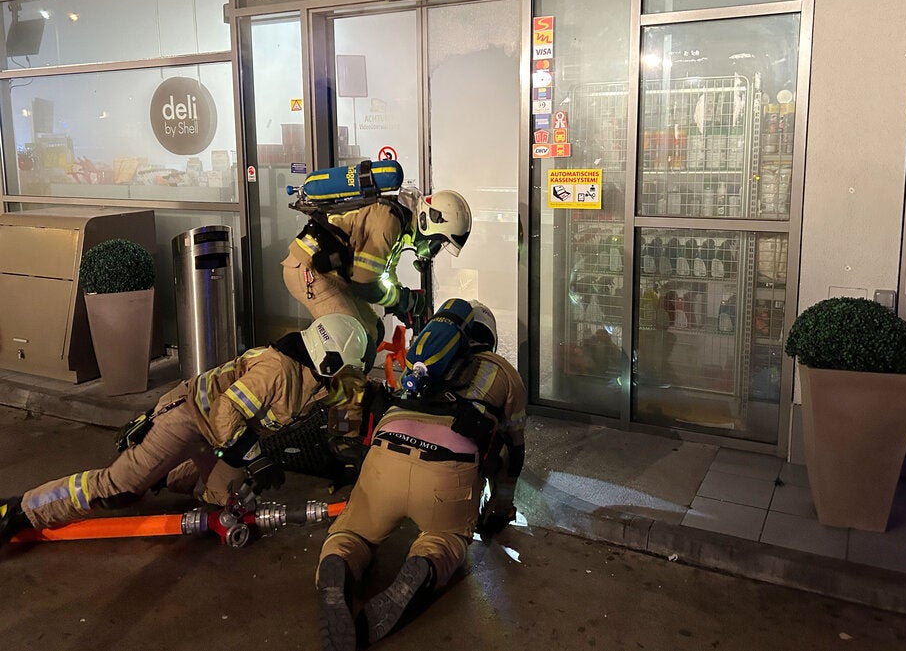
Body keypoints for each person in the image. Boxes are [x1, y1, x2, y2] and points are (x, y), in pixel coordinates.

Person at [0, 313, 369, 543]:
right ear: (329, 359)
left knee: (227, 498)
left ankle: (166, 473)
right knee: (120, 488)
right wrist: (256, 459)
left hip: (219, 438)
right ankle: (23, 509)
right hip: (190, 419)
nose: (347, 374)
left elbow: (344, 404)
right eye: (345, 366)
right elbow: (225, 412)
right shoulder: (277, 370)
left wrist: (347, 456)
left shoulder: (320, 379)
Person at [314, 301, 527, 651]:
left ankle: (339, 562)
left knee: (353, 532)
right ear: (489, 338)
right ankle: (425, 561)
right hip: (446, 472)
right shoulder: (502, 373)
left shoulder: (422, 364)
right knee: (445, 538)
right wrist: (500, 509)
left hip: (385, 458)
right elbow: (514, 454)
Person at [281, 186, 472, 367]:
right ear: (429, 220)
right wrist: (402, 299)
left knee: (374, 330)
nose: (433, 250)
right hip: (309, 272)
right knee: (357, 348)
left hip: (332, 276)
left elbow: (384, 273)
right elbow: (365, 285)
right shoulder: (388, 222)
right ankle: (331, 394)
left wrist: (402, 303)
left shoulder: (401, 223)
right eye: (437, 243)